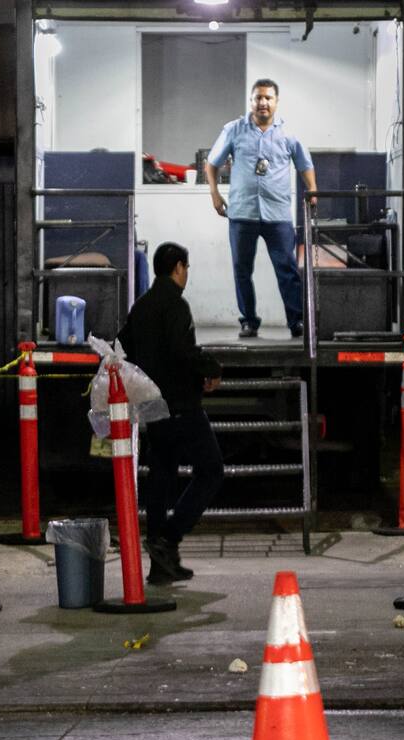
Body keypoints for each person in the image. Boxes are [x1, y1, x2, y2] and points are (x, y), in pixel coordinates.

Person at [117, 242, 225, 584]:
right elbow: (182, 352)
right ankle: (170, 538)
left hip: (152, 406)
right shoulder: (176, 306)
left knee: (162, 476)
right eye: (187, 268)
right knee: (211, 470)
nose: (187, 274)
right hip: (180, 405)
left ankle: (161, 564)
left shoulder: (141, 307)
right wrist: (211, 367)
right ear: (178, 267)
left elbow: (123, 348)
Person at [205, 77, 317, 339]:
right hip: (242, 213)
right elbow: (211, 164)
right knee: (241, 269)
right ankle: (248, 321)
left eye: (268, 98)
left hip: (277, 214)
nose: (263, 102)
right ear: (251, 101)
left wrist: (312, 191)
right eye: (258, 97)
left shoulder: (288, 135)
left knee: (287, 268)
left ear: (276, 102)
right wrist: (215, 194)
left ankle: (296, 321)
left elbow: (305, 164)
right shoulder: (234, 130)